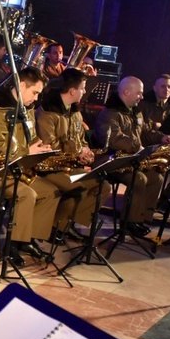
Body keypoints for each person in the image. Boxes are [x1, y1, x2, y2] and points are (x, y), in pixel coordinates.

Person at [0, 67, 61, 263]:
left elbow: (29, 137)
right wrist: (26, 152)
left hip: (18, 167)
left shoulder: (26, 109)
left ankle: (27, 239)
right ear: (21, 86)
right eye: (35, 92)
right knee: (26, 194)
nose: (36, 99)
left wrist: (40, 146)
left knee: (50, 191)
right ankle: (11, 246)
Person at [95, 76, 170, 236]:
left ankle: (143, 219)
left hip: (131, 159)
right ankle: (130, 222)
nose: (142, 97)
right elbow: (114, 140)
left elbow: (145, 130)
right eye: (139, 93)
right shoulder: (109, 113)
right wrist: (139, 147)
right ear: (126, 92)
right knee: (139, 179)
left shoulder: (135, 111)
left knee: (157, 178)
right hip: (112, 160)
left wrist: (160, 137)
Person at [36, 68, 105, 241]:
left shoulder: (74, 111)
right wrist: (77, 151)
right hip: (50, 167)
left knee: (103, 186)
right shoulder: (47, 113)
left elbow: (81, 138)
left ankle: (66, 224)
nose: (84, 92)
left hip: (70, 164)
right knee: (81, 185)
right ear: (73, 91)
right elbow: (49, 148)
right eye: (83, 88)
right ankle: (55, 227)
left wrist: (86, 151)